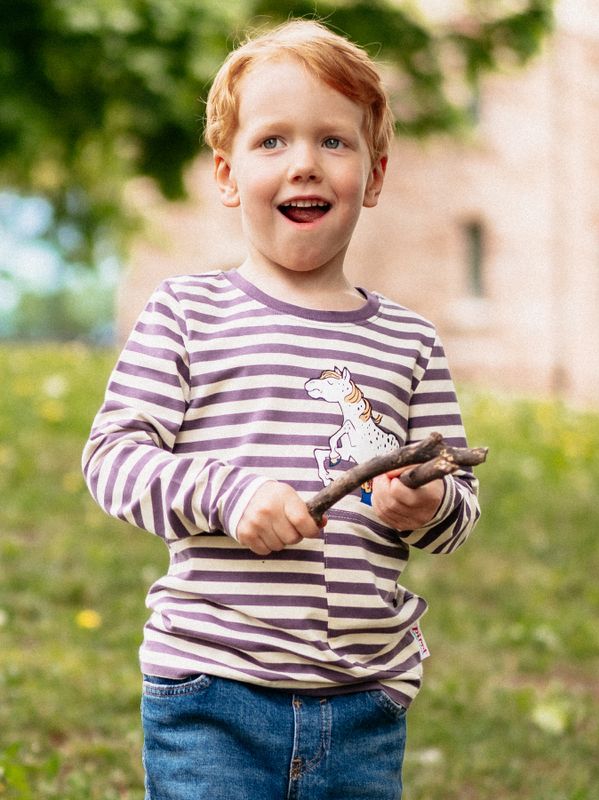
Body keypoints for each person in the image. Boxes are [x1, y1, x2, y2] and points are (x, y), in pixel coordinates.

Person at [82, 18, 481, 800]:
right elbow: (114, 458)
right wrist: (229, 497)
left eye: (334, 141)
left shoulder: (410, 341)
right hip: (214, 692)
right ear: (228, 176)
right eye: (273, 142)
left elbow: (460, 508)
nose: (304, 163)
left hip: (363, 704)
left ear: (374, 174)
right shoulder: (187, 314)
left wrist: (426, 502)